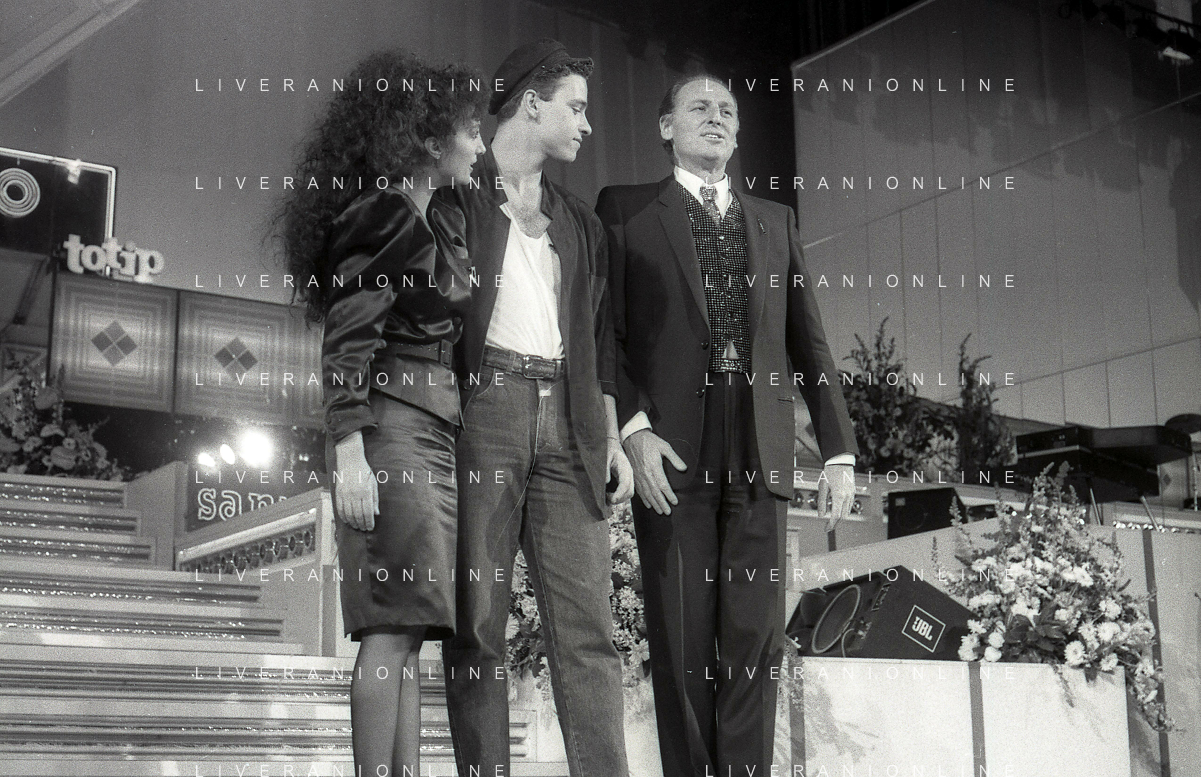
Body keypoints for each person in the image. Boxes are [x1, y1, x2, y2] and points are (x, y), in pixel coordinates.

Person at [596, 74, 860, 777]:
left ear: (738, 133)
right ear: (666, 127)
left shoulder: (775, 221)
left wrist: (838, 450)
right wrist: (632, 429)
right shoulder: (624, 210)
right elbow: (603, 333)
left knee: (754, 643)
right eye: (698, 108)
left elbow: (809, 341)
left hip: (759, 441)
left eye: (727, 111)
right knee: (682, 640)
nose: (715, 118)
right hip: (671, 448)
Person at [276, 51, 486, 777]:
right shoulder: (383, 214)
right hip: (390, 428)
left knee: (410, 630)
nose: (479, 145)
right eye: (469, 130)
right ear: (428, 138)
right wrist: (349, 453)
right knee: (390, 629)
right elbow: (346, 344)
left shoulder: (441, 215)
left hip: (432, 428)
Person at [435, 39, 633, 777]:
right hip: (486, 407)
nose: (585, 124)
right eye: (574, 108)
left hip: (572, 419)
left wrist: (609, 436)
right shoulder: (456, 197)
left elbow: (601, 339)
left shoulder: (578, 221)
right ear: (530, 103)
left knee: (589, 633)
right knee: (478, 627)